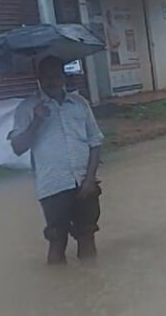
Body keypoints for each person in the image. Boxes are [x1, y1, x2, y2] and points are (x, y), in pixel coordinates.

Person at [9, 56, 104, 265]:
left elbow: (95, 142)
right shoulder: (27, 108)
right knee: (56, 239)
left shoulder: (80, 104)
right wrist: (37, 121)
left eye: (57, 76)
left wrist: (89, 179)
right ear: (39, 79)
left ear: (64, 77)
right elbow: (17, 148)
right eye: (48, 77)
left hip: (83, 183)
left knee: (87, 235)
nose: (53, 81)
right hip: (52, 186)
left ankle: (92, 285)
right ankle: (57, 285)